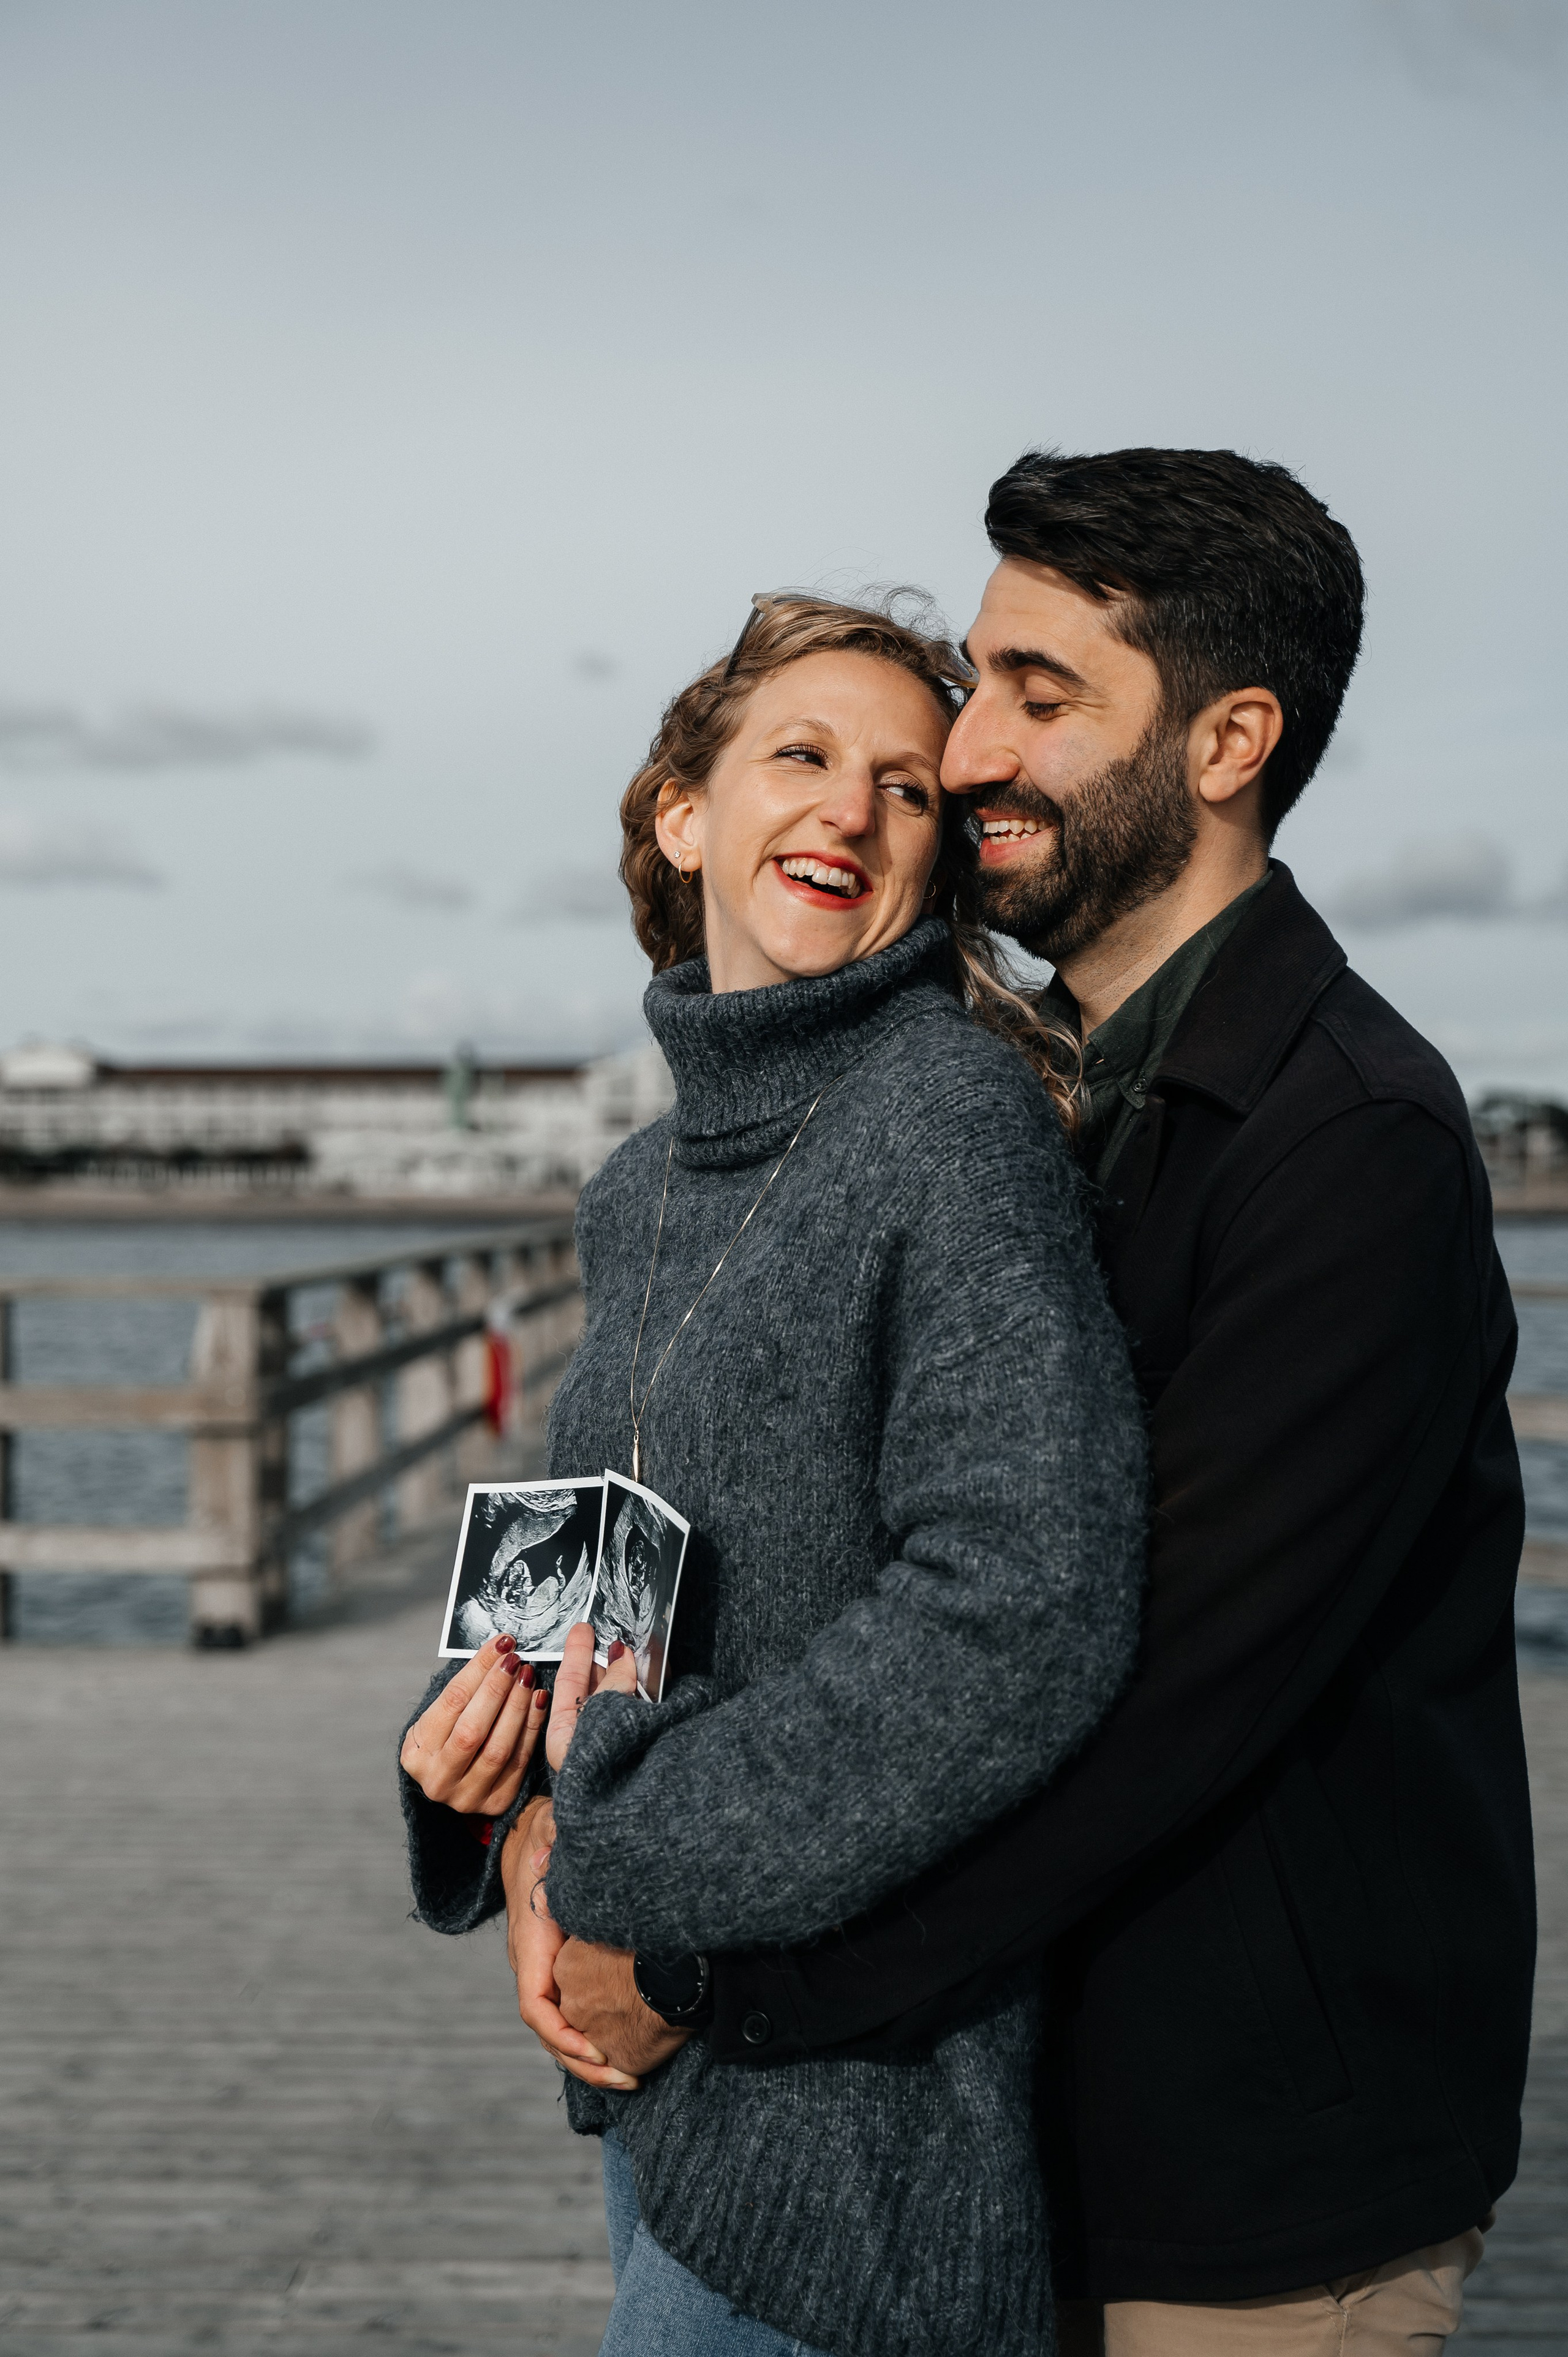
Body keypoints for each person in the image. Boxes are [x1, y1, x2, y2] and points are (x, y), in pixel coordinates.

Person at [538, 451, 1536, 2356]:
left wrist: (700, 1962)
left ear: (1232, 737)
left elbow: (1137, 1685)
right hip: (1007, 2114)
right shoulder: (1047, 1081)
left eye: (1038, 696)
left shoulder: (1346, 1142)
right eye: (979, 682)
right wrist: (520, 1796)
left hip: (1254, 2181)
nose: (970, 748)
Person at [397, 590, 1148, 2357]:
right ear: (684, 811)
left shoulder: (945, 1121)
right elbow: (607, 1574)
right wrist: (506, 1814)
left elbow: (1025, 1605)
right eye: (800, 757)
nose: (851, 812)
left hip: (855, 2131)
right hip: (660, 2094)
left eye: (906, 789)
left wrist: (621, 1848)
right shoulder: (644, 1185)